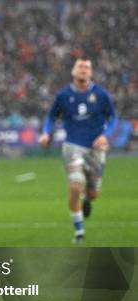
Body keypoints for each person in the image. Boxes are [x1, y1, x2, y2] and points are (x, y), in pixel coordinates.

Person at [38, 58, 117, 244]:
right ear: (73, 71)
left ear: (91, 72)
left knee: (93, 194)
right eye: (80, 66)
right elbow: (51, 116)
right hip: (72, 145)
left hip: (96, 148)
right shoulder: (63, 95)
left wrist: (106, 135)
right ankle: (79, 232)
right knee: (75, 185)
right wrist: (46, 133)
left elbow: (113, 117)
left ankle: (87, 200)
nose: (83, 70)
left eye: (87, 67)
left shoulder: (101, 94)